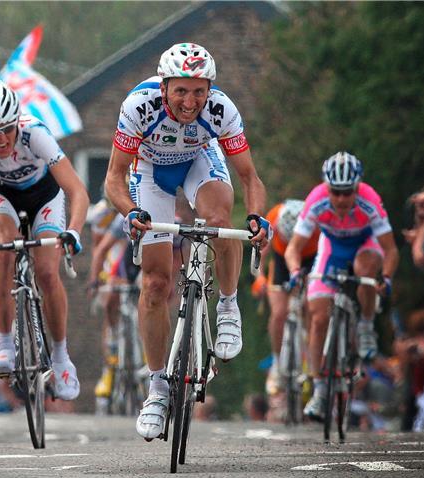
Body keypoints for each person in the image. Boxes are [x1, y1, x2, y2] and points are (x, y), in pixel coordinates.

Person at [103, 42, 269, 440]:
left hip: (198, 159)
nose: (190, 101)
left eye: (199, 90)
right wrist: (131, 211)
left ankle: (227, 306)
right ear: (164, 88)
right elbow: (113, 177)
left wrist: (257, 218)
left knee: (218, 219)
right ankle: (158, 388)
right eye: (181, 90)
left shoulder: (222, 110)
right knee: (156, 284)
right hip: (149, 170)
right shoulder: (138, 106)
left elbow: (249, 176)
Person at [0, 78, 89, 400]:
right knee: (4, 249)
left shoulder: (35, 133)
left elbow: (77, 191)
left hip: (44, 196)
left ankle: (62, 357)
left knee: (48, 272)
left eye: (6, 130)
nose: (0, 139)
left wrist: (74, 230)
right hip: (1, 196)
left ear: (16, 122)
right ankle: (6, 346)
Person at [284, 151, 399, 420]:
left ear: (358, 187)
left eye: (348, 193)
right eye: (336, 192)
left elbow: (391, 250)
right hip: (332, 248)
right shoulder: (316, 200)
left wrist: (388, 278)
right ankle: (320, 390)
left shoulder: (370, 201)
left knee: (364, 270)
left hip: (365, 246)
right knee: (318, 316)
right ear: (327, 188)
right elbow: (294, 248)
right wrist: (294, 271)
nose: (341, 199)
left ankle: (367, 326)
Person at [261, 199, 319, 393]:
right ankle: (277, 362)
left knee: (312, 309)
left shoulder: (316, 223)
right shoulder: (275, 215)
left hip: (310, 258)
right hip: (281, 261)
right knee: (279, 313)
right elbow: (263, 249)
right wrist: (259, 276)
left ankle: (312, 359)